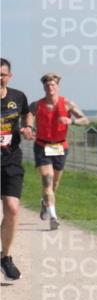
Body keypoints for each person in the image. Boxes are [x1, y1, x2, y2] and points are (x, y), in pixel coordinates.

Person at [30, 73, 89, 230]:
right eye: (47, 85)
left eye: (53, 84)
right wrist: (28, 127)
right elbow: (28, 115)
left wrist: (72, 120)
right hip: (42, 146)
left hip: (60, 147)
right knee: (47, 181)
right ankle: (53, 217)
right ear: (43, 87)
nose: (50, 87)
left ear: (57, 86)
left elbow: (86, 120)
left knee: (54, 184)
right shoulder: (36, 105)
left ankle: (45, 203)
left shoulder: (68, 104)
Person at [1, 58, 35, 282]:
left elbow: (27, 113)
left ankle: (5, 257)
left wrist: (28, 127)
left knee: (12, 208)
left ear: (9, 76)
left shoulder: (18, 96)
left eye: (2, 74)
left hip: (10, 159)